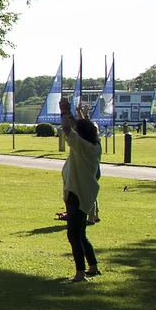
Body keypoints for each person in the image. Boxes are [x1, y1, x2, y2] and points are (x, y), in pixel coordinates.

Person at [59, 98, 102, 282]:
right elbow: (78, 126)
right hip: (84, 193)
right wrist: (70, 112)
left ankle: (79, 273)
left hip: (76, 192)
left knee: (73, 235)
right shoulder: (94, 145)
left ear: (81, 134)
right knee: (81, 234)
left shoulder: (81, 146)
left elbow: (68, 129)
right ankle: (92, 266)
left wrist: (63, 112)